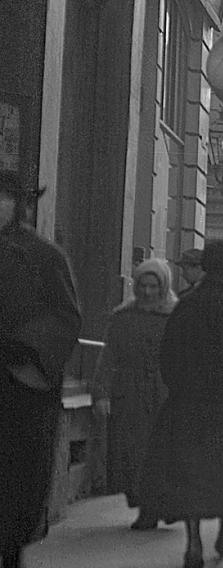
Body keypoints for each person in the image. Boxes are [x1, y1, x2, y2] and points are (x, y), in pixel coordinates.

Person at [137, 241, 223, 568]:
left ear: (206, 266)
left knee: (190, 473)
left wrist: (180, 389)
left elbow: (168, 354)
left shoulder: (187, 304)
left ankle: (193, 544)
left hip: (188, 404)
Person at [0, 171, 81, 568]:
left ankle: (11, 550)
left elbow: (66, 317)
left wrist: (26, 347)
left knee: (16, 478)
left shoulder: (45, 256)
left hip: (20, 384)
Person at [94, 258, 178, 530]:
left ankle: (159, 506)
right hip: (129, 396)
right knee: (132, 455)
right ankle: (145, 507)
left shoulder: (176, 316)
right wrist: (102, 393)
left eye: (154, 286)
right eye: (142, 285)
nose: (148, 292)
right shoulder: (123, 317)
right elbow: (109, 357)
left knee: (162, 455)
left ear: (163, 287)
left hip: (165, 395)